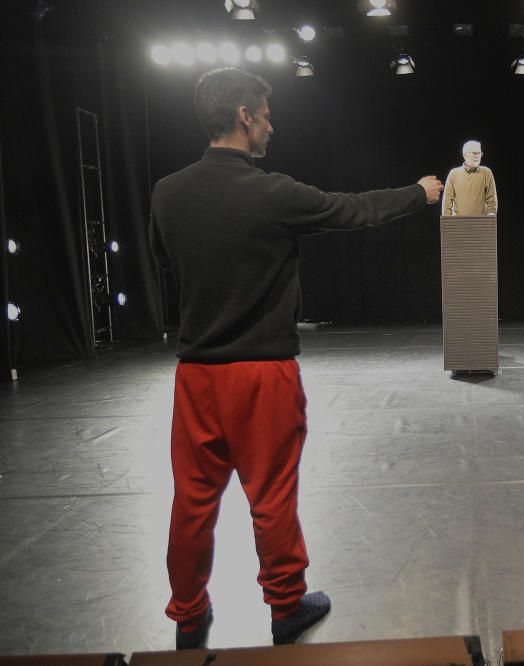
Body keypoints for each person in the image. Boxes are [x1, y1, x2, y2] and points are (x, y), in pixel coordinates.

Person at [149, 67, 443, 650]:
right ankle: (286, 606)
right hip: (262, 374)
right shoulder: (272, 192)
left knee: (192, 500)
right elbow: (353, 209)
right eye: (265, 113)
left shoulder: (167, 192)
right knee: (272, 495)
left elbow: (165, 260)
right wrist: (420, 194)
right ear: (243, 116)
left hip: (197, 374)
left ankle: (187, 614)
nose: (270, 125)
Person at [441, 140, 498, 217]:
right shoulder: (453, 174)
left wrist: (489, 222)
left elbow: (492, 201)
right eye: (474, 153)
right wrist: (448, 224)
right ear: (465, 155)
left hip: (481, 225)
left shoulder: (486, 173)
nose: (477, 156)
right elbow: (447, 203)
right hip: (458, 224)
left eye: (479, 153)